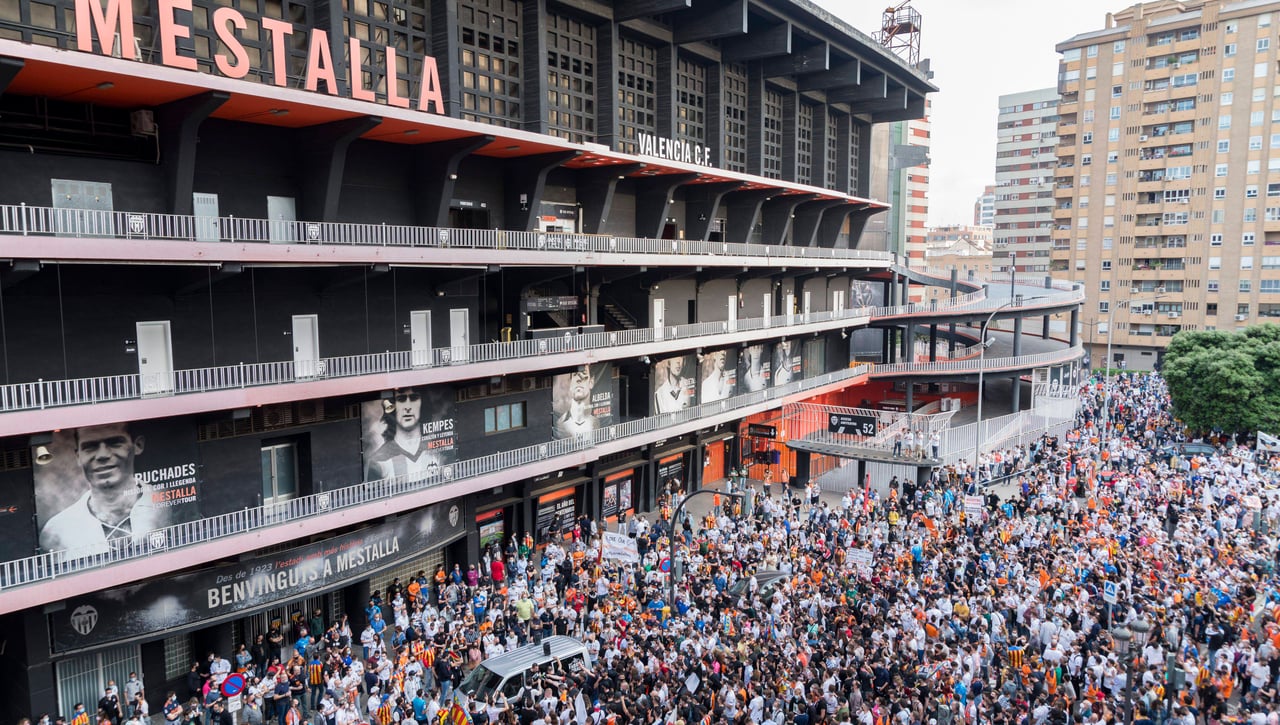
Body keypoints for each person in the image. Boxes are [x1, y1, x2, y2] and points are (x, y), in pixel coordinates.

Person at [38, 422, 162, 555]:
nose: (102, 455)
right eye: (90, 447)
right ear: (78, 456)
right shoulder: (56, 530)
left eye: (115, 443)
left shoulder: (167, 504)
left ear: (138, 445)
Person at [364, 388, 442, 481]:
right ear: (392, 406)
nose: (408, 407)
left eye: (414, 398)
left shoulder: (437, 450)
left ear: (423, 403)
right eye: (401, 399)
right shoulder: (378, 461)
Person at [553, 367, 599, 439]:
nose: (578, 380)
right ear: (570, 383)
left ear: (591, 382)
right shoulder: (560, 424)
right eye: (575, 375)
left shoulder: (596, 422)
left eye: (583, 374)